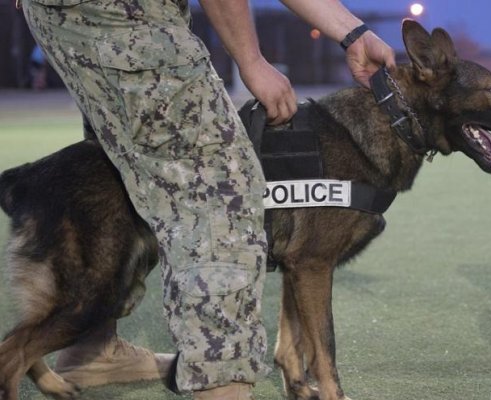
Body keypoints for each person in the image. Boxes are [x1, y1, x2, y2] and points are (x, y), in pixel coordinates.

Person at [20, 0, 395, 398]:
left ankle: (92, 349)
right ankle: (221, 382)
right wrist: (251, 61)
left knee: (127, 181)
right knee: (221, 187)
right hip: (121, 14)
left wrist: (352, 32)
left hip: (80, 14)